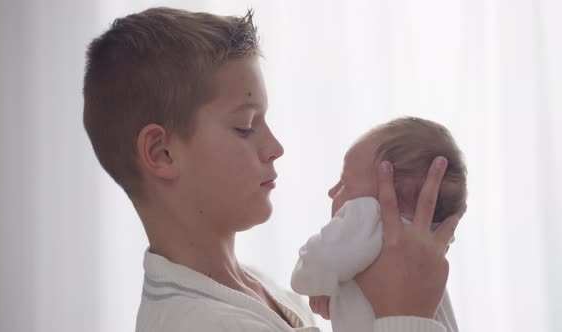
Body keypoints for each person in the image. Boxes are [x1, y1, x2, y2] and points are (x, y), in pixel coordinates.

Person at [82, 7, 465, 332]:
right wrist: (406, 312)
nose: (276, 148)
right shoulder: (199, 323)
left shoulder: (255, 286)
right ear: (162, 153)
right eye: (245, 127)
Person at [291, 117, 467, 332]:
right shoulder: (426, 245)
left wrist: (318, 280)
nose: (332, 192)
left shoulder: (367, 214)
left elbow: (306, 272)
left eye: (344, 184)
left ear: (386, 199)